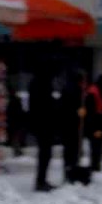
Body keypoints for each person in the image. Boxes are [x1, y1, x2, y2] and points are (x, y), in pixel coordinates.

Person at [28, 63, 57, 192]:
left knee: (45, 154)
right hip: (44, 124)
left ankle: (41, 180)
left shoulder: (37, 83)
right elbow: (45, 105)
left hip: (41, 123)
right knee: (45, 154)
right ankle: (41, 181)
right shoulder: (42, 84)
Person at [61, 69, 86, 183]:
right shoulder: (74, 90)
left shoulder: (69, 89)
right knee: (72, 149)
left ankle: (69, 170)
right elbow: (69, 107)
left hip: (68, 125)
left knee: (69, 150)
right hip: (72, 125)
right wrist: (77, 112)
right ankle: (72, 171)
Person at [84, 73, 102, 171]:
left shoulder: (99, 90)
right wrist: (95, 128)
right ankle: (95, 167)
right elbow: (92, 112)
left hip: (98, 125)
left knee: (98, 147)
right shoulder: (94, 92)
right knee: (96, 147)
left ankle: (96, 166)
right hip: (95, 126)